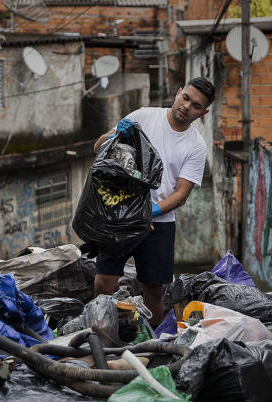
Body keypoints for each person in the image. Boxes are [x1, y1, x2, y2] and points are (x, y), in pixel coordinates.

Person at [91, 76, 215, 327]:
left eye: (196, 105)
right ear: (178, 92)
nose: (186, 106)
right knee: (104, 282)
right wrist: (114, 136)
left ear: (204, 112)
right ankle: (99, 333)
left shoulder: (196, 146)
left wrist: (152, 210)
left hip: (158, 225)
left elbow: (181, 194)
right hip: (120, 214)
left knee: (154, 291)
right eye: (186, 98)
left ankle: (150, 342)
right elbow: (97, 149)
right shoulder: (144, 117)